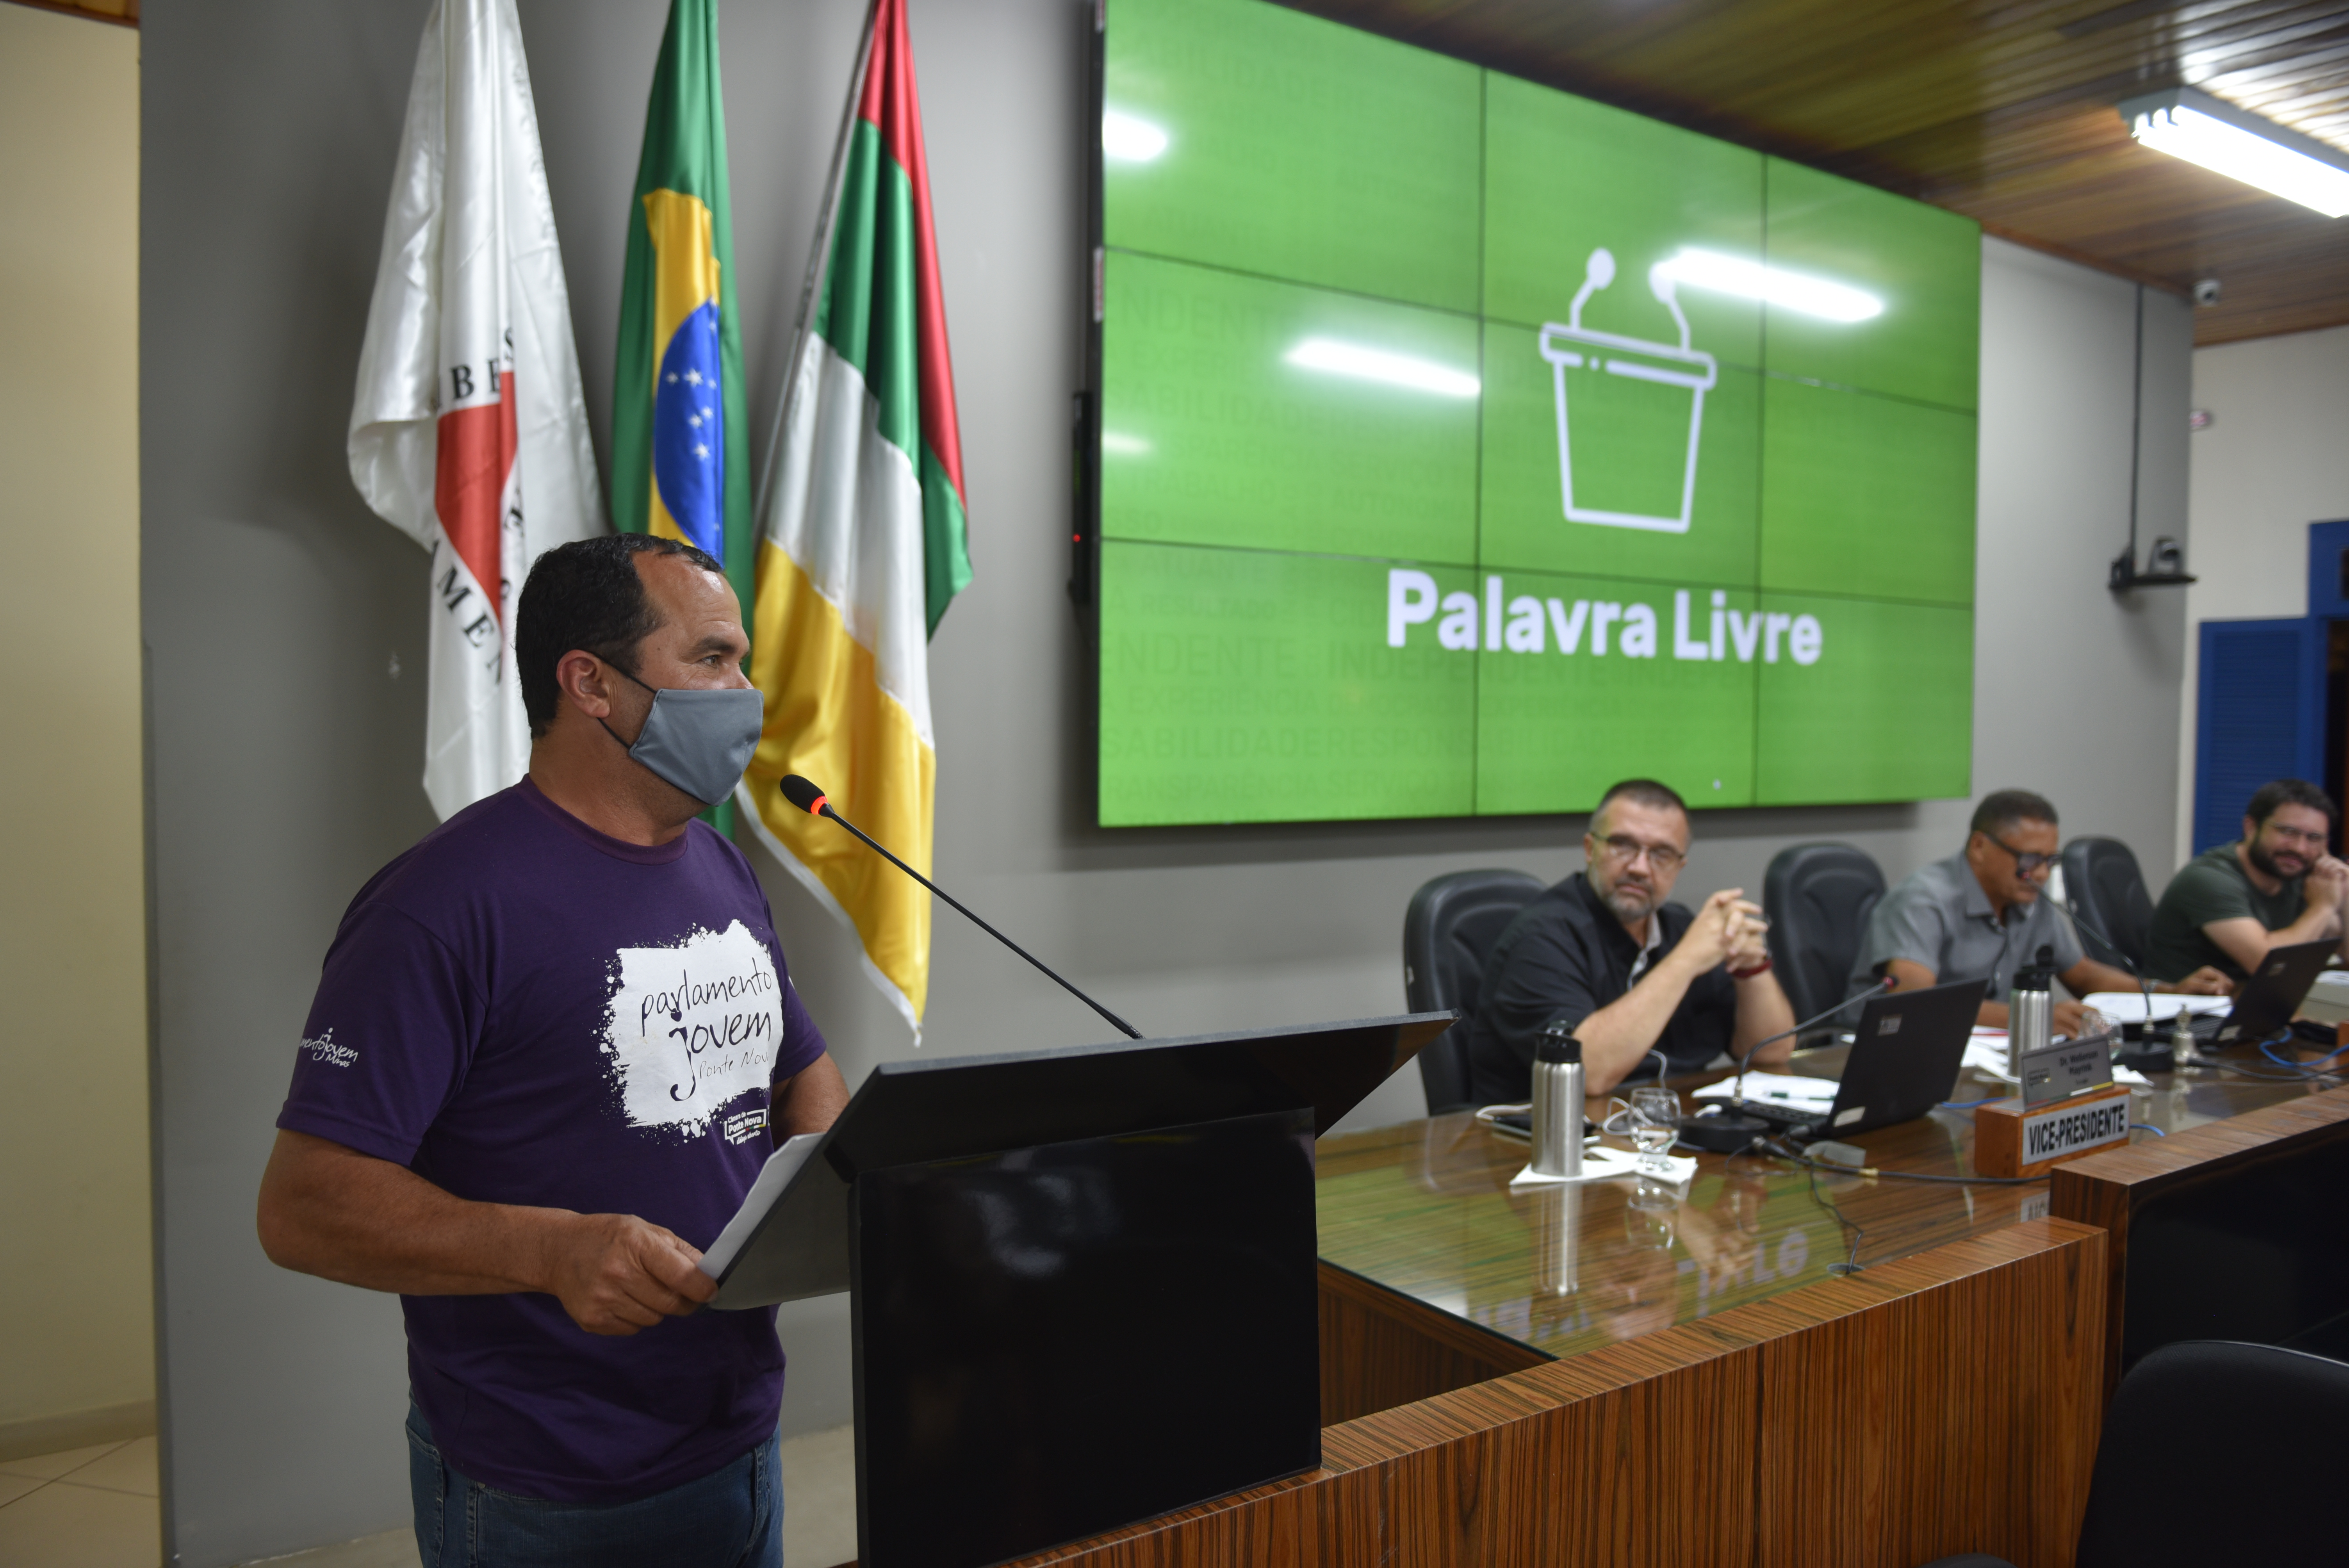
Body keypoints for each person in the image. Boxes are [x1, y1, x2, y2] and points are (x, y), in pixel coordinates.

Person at [256, 535, 848, 1568]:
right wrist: (554, 1251)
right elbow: (302, 1206)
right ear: (592, 685)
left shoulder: (717, 864)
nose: (745, 693)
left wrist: (839, 1183)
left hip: (740, 1435)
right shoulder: (441, 904)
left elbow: (803, 1068)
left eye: (741, 662)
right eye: (712, 659)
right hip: (545, 1481)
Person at [1463, 778, 1796, 1103]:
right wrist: (1685, 961)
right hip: (1544, 1141)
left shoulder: (1681, 927)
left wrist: (1752, 969)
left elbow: (1773, 1051)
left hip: (1667, 1131)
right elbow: (1587, 1073)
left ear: (1680, 866)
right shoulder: (1540, 937)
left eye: (1661, 854)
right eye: (1623, 845)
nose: (1639, 868)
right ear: (1590, 849)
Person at [1850, 788, 2230, 1035]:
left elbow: (2082, 973)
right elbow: (1915, 1005)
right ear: (1980, 846)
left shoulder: (2028, 895)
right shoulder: (1923, 900)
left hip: (1983, 1055)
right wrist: (2029, 1021)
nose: (2043, 873)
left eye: (2050, 859)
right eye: (2030, 859)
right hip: (1885, 1051)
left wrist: (2168, 991)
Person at [2146, 779, 2349, 984]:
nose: (2300, 848)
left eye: (2314, 838)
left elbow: (2345, 956)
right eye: (2288, 832)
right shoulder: (2209, 879)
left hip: (2255, 1005)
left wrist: (2345, 890)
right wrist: (2323, 907)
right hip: (2193, 1010)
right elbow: (2267, 965)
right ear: (2251, 828)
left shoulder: (2304, 877)